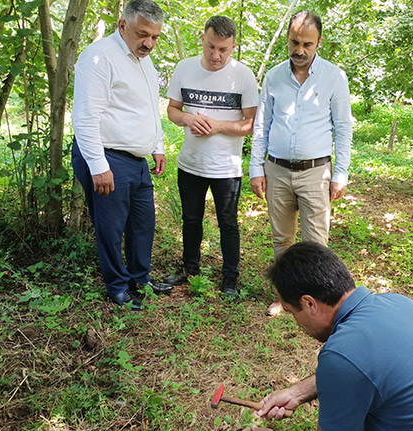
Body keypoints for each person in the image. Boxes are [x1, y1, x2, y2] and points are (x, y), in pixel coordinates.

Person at [256, 242, 413, 430]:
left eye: (291, 312)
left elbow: (350, 366)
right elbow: (367, 370)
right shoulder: (396, 303)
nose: (296, 323)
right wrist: (297, 393)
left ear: (309, 303)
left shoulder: (342, 354)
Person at [71, 0, 172, 311]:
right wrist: (98, 165)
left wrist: (157, 144)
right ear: (122, 26)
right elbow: (86, 116)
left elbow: (147, 107)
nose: (149, 43)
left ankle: (140, 278)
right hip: (107, 156)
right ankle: (117, 286)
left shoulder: (145, 61)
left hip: (137, 160)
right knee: (111, 228)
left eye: (155, 37)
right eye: (143, 34)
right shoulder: (100, 57)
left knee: (143, 223)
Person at [248, 11, 352, 314]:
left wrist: (341, 173)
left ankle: (317, 299)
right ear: (288, 39)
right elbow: (261, 126)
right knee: (282, 240)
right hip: (277, 170)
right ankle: (287, 297)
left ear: (319, 42)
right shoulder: (274, 76)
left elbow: (343, 128)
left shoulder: (334, 77)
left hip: (316, 172)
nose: (300, 50)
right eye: (295, 42)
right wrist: (256, 168)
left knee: (316, 243)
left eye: (307, 44)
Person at [163, 16, 259, 298]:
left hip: (225, 167)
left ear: (233, 47)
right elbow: (172, 110)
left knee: (227, 222)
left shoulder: (244, 75)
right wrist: (188, 119)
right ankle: (190, 269)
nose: (216, 55)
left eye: (223, 50)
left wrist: (217, 126)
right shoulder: (184, 69)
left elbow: (252, 124)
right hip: (190, 163)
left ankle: (230, 278)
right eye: (211, 47)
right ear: (202, 41)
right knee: (191, 219)